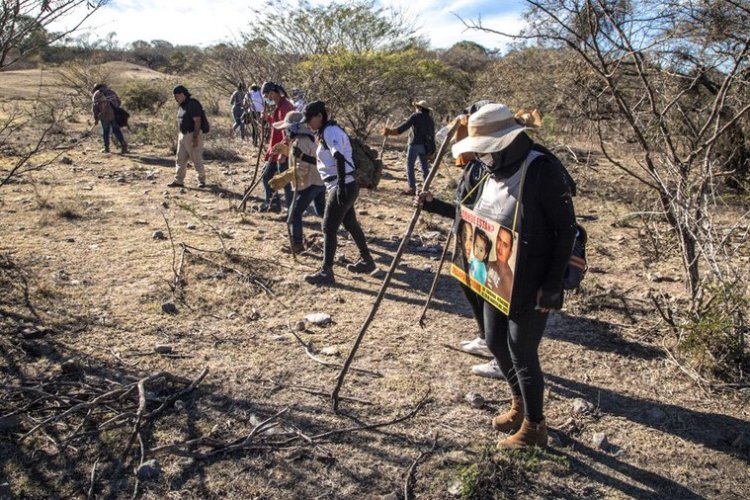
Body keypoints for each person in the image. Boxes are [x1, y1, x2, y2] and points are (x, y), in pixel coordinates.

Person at [422, 103, 577, 448]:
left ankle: (536, 428)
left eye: (488, 149)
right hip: (497, 278)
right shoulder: (490, 170)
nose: (483, 156)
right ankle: (519, 404)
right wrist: (434, 206)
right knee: (494, 341)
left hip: (532, 280)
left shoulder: (543, 171)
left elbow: (566, 230)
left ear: (508, 141)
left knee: (522, 352)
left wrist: (552, 286)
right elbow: (471, 216)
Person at [418, 101, 502, 378]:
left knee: (489, 293)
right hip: (467, 235)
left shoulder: (494, 166)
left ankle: (499, 353)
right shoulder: (474, 164)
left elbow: (481, 211)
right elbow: (463, 208)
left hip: (486, 241)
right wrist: (432, 205)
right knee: (468, 284)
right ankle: (485, 337)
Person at [300, 101, 375, 285]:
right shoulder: (327, 131)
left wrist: (340, 186)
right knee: (349, 223)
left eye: (310, 120)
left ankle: (326, 272)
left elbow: (339, 157)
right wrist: (302, 157)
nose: (308, 124)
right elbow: (327, 163)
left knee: (328, 227)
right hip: (346, 184)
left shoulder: (330, 131)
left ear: (319, 116)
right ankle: (367, 261)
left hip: (343, 185)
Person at [270, 111, 326, 253]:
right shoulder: (306, 140)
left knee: (295, 213)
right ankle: (334, 235)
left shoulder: (299, 142)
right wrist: (287, 151)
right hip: (319, 182)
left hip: (311, 183)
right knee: (323, 212)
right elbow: (302, 157)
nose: (285, 132)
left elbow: (301, 169)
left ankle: (297, 244)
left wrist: (284, 177)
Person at [383, 100, 436, 195]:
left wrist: (390, 132)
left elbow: (404, 127)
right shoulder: (430, 119)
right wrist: (432, 150)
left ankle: (412, 188)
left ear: (419, 108)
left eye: (417, 107)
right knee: (424, 167)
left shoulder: (415, 116)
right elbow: (432, 135)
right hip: (425, 146)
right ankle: (426, 189)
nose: (416, 108)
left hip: (414, 145)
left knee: (410, 166)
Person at [260, 81, 295, 212]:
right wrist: (268, 118)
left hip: (283, 152)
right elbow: (278, 124)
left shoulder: (286, 107)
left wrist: (283, 151)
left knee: (285, 182)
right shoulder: (280, 106)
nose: (266, 98)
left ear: (272, 93)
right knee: (267, 176)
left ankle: (291, 212)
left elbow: (290, 131)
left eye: (266, 95)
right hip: (277, 150)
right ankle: (273, 204)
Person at [168, 85, 207, 189]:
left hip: (192, 135)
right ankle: (178, 180)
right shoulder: (182, 105)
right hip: (182, 135)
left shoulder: (192, 104)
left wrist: (195, 138)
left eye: (176, 96)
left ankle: (201, 180)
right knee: (180, 159)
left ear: (182, 94)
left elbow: (197, 121)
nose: (175, 98)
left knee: (196, 159)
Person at [91, 83, 127, 154]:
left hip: (104, 115)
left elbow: (95, 107)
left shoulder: (97, 94)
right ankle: (123, 145)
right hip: (114, 115)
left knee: (105, 131)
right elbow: (119, 102)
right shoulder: (112, 92)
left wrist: (96, 118)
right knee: (116, 130)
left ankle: (106, 149)